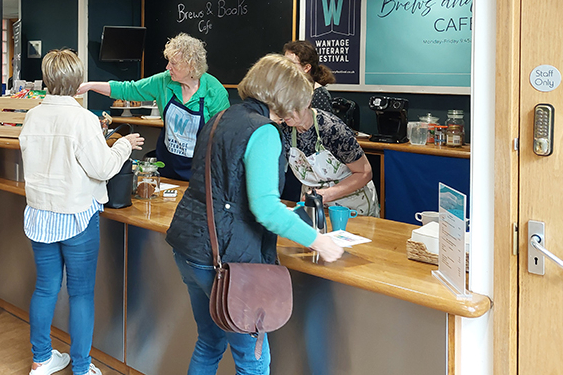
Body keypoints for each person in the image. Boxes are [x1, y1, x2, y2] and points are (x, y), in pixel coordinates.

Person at [166, 54, 344, 375]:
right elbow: (266, 209)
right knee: (253, 359)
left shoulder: (220, 117)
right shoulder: (263, 132)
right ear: (285, 98)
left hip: (190, 247)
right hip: (226, 260)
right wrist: (319, 241)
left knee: (209, 343)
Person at [20, 49, 144, 375]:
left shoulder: (32, 116)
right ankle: (81, 366)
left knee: (45, 289)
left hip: (40, 215)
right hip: (76, 217)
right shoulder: (83, 120)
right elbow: (102, 168)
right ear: (77, 82)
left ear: (47, 80)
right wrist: (123, 145)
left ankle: (41, 359)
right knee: (80, 294)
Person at [77, 33, 229, 181]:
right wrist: (90, 85)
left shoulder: (215, 92)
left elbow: (223, 138)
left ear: (191, 66)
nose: (168, 67)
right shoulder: (164, 81)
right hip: (167, 167)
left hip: (200, 172)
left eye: (174, 63)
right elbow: (128, 89)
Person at [282, 107, 379, 217]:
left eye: (292, 106)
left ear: (306, 101)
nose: (285, 113)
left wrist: (326, 194)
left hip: (352, 207)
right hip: (313, 205)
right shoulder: (284, 129)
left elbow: (364, 173)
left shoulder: (332, 128)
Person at [283, 40, 335, 113]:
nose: (285, 67)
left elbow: (323, 123)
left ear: (306, 68)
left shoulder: (318, 95)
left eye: (290, 64)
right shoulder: (287, 89)